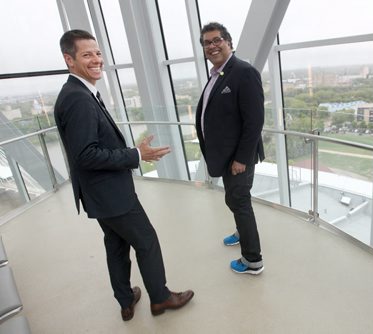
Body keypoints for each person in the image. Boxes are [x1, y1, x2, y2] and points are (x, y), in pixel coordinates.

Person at [54, 29, 194, 321]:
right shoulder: (78, 99)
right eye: (86, 54)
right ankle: (161, 298)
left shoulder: (78, 93)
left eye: (98, 53)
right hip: (111, 194)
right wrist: (137, 154)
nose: (96, 60)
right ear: (69, 59)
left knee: (116, 244)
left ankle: (126, 299)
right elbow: (86, 155)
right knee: (146, 240)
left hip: (99, 193)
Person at [195, 22, 265, 275]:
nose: (212, 46)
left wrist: (241, 159)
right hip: (227, 155)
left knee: (239, 200)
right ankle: (240, 233)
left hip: (238, 158)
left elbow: (254, 121)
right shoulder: (218, 73)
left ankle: (252, 260)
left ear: (229, 43)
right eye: (206, 42)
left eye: (217, 40)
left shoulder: (243, 72)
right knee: (235, 199)